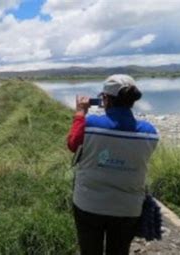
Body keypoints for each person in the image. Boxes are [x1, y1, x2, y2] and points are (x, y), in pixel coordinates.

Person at [66, 74, 159, 255]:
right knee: (119, 251)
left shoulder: (90, 124)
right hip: (128, 207)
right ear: (132, 101)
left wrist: (80, 113)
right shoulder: (150, 133)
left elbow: (72, 144)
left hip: (88, 203)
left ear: (105, 99)